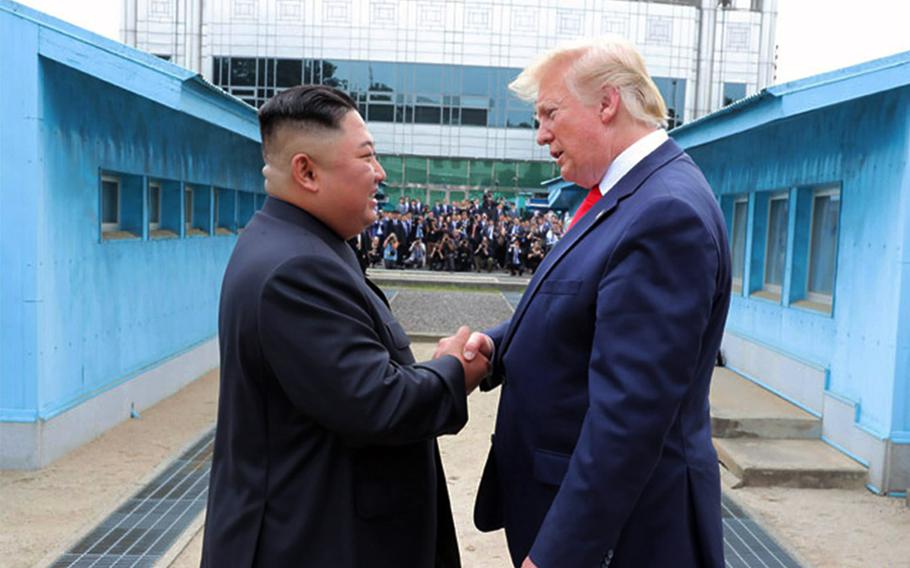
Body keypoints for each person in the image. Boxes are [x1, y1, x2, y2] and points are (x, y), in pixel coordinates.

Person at [453, 36, 731, 568]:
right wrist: (492, 344)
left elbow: (628, 419)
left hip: (627, 539)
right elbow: (578, 306)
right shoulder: (625, 196)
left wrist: (557, 556)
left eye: (550, 113)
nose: (541, 136)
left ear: (607, 103)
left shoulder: (664, 213)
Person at [201, 85, 490, 568]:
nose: (380, 174)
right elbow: (378, 403)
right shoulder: (294, 270)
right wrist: (452, 373)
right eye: (367, 157)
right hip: (310, 543)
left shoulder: (297, 244)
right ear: (306, 171)